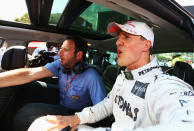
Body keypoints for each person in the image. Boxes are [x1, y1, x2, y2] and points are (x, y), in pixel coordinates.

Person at [28, 20, 194, 131]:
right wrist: (75, 118)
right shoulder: (123, 77)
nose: (117, 42)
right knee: (41, 125)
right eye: (119, 38)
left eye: (127, 37)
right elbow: (107, 105)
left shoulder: (164, 85)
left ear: (146, 45)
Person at [0, 36, 106, 130]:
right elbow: (30, 73)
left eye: (65, 50)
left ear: (79, 55)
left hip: (74, 113)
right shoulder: (61, 64)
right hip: (60, 100)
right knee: (24, 86)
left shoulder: (92, 77)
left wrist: (78, 122)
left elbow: (102, 109)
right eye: (61, 49)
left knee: (26, 113)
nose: (59, 53)